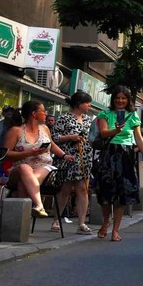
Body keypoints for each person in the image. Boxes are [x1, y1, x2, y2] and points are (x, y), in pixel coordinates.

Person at [95, 85, 143, 242]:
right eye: (118, 98)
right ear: (113, 99)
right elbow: (103, 132)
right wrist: (116, 130)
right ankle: (106, 220)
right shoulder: (105, 114)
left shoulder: (132, 116)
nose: (120, 100)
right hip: (109, 153)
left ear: (128, 100)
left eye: (124, 98)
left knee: (123, 193)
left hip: (126, 155)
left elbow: (139, 138)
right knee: (105, 191)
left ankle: (115, 229)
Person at [4, 101, 75, 218]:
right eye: (43, 111)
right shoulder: (16, 131)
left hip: (44, 167)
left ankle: (21, 220)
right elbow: (6, 153)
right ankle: (38, 204)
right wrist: (29, 153)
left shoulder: (45, 128)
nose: (46, 113)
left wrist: (64, 155)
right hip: (19, 168)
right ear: (34, 114)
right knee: (24, 169)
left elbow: (51, 144)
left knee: (24, 182)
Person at [51, 90, 94, 235]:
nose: (89, 105)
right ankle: (56, 219)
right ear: (79, 104)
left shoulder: (89, 120)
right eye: (87, 103)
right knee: (65, 190)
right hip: (68, 157)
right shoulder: (64, 118)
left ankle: (81, 223)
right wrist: (70, 137)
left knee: (83, 189)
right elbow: (54, 137)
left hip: (85, 157)